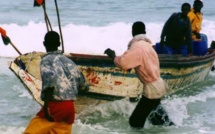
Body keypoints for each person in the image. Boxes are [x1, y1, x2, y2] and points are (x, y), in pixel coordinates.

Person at [104, 21, 174, 128]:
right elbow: (134, 64)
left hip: (152, 89)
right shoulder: (147, 45)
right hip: (159, 84)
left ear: (132, 32)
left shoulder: (137, 47)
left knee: (135, 121)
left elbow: (123, 63)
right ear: (145, 32)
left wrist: (113, 56)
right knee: (156, 119)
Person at [24, 31, 89, 134]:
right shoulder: (70, 62)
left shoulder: (46, 60)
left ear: (44, 44)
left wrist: (46, 108)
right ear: (59, 44)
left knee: (30, 132)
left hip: (56, 106)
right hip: (70, 108)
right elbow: (84, 86)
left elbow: (50, 82)